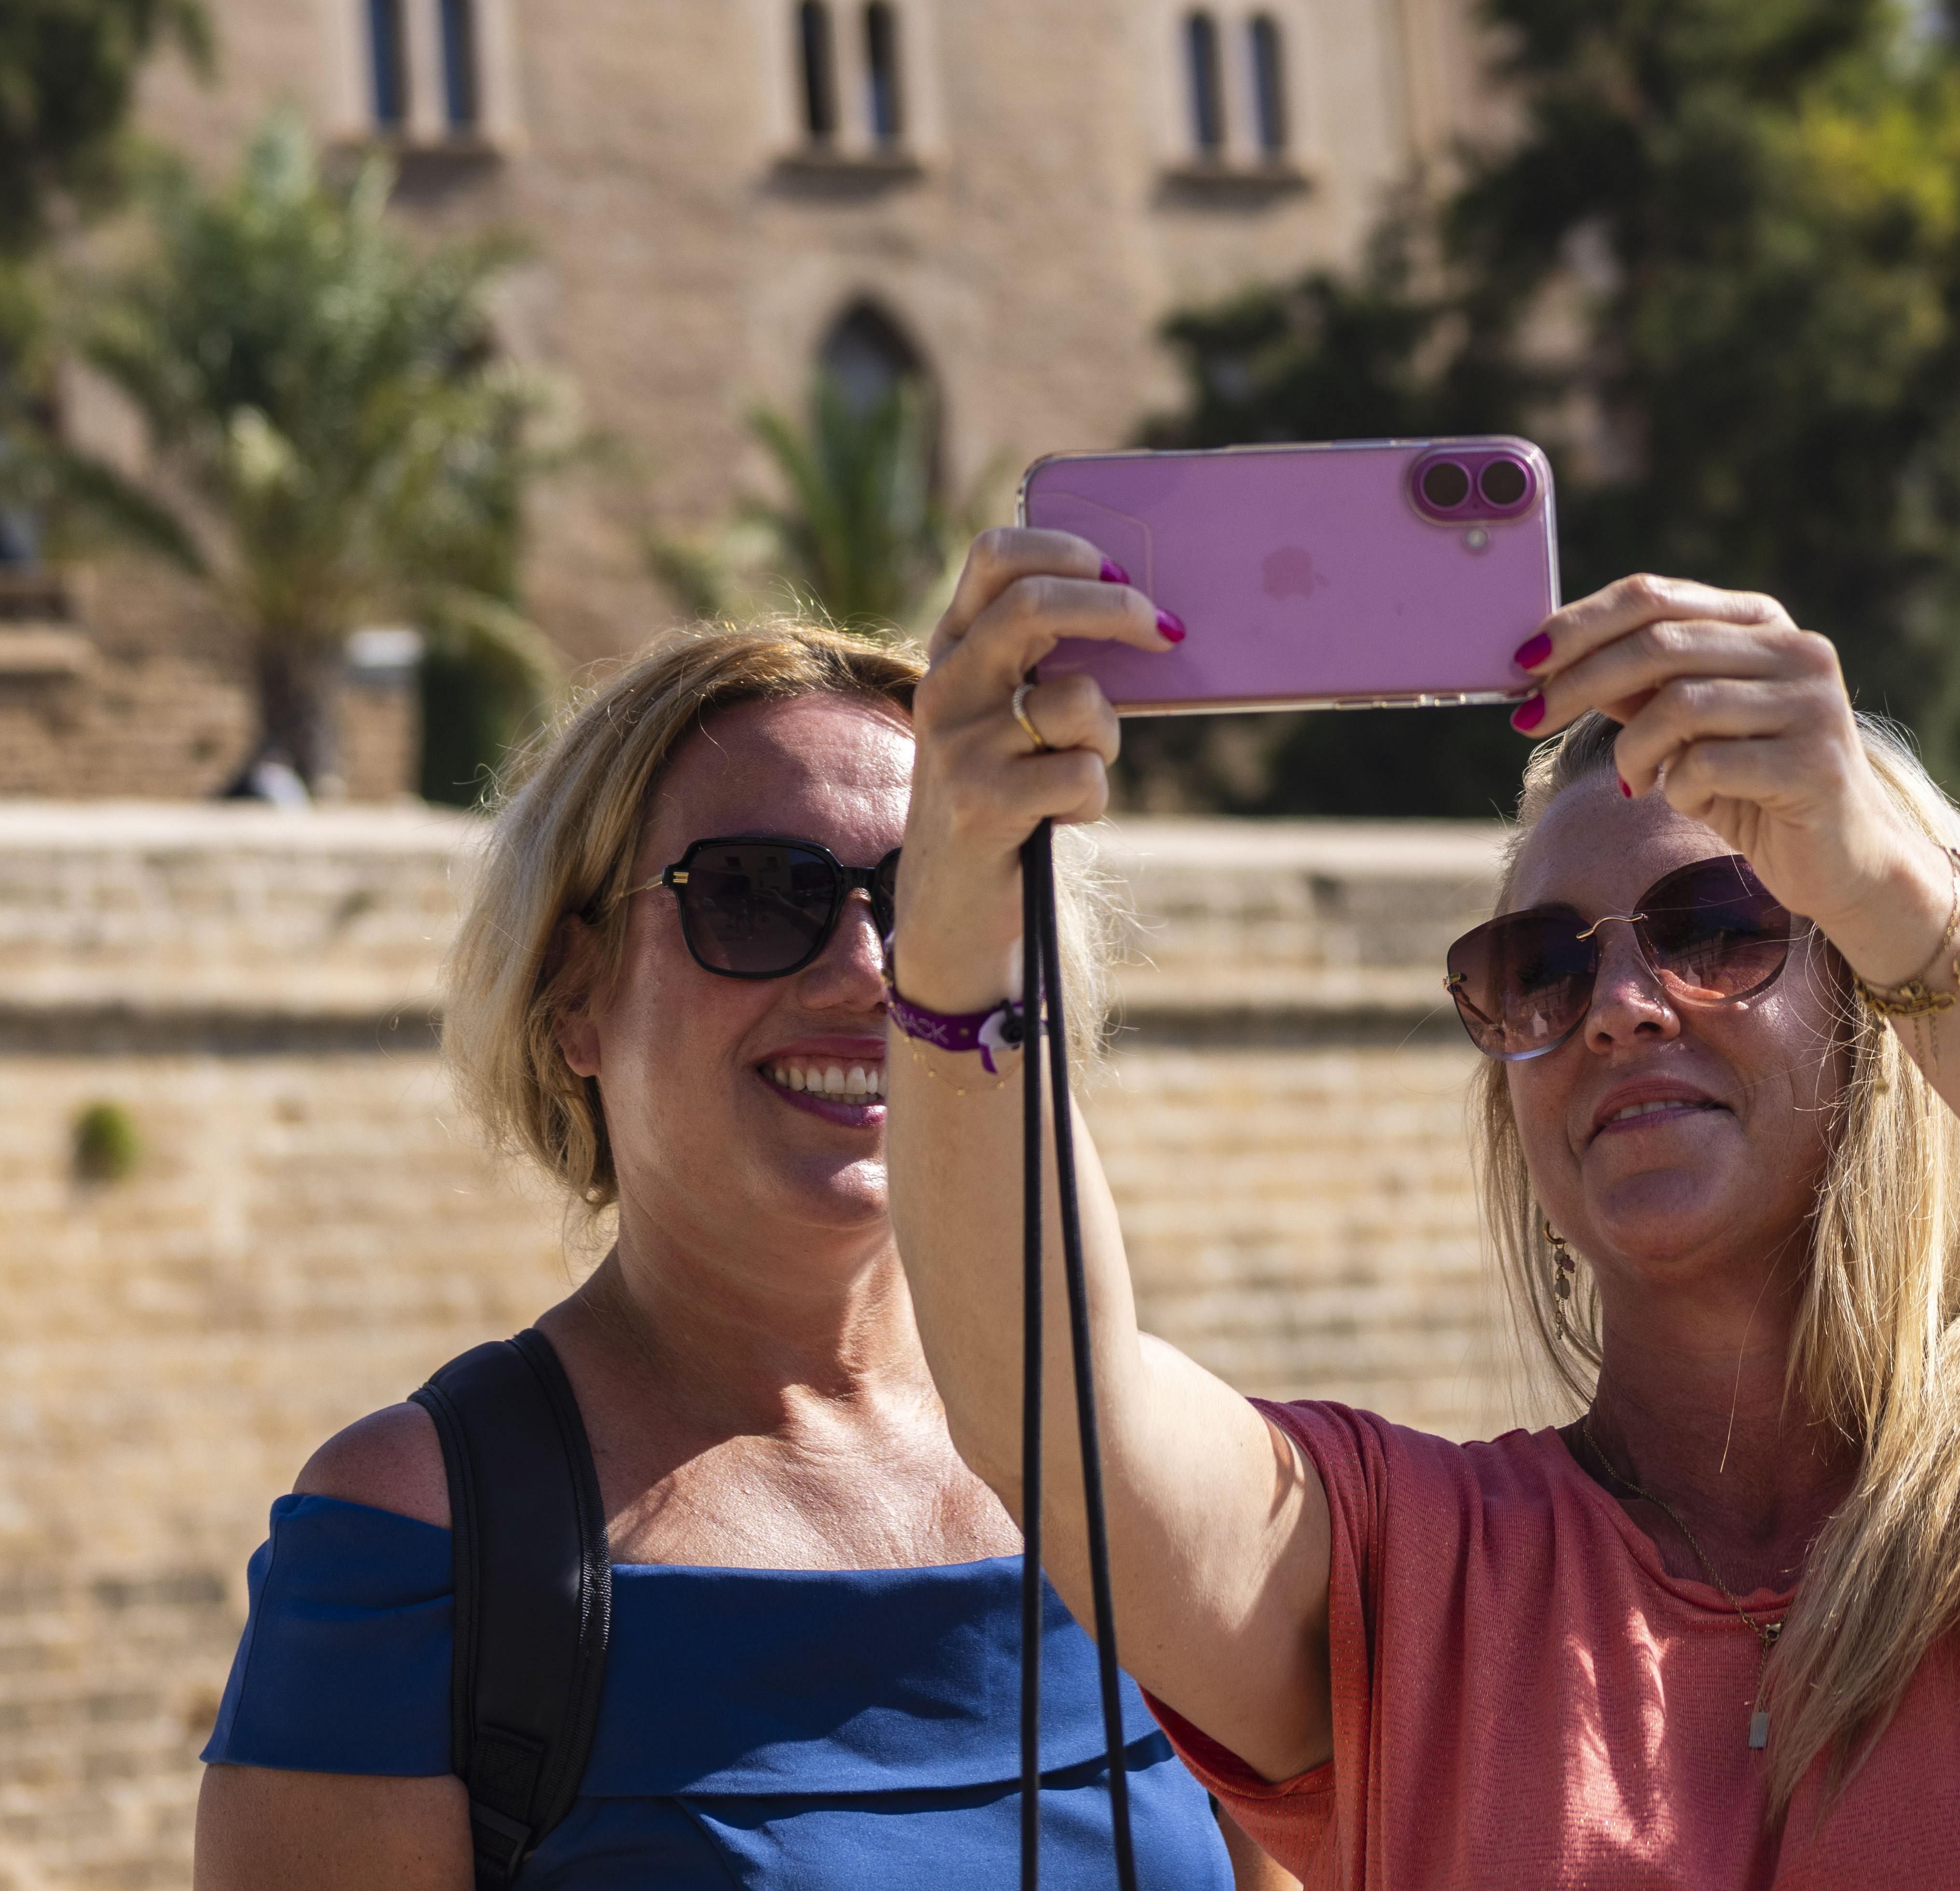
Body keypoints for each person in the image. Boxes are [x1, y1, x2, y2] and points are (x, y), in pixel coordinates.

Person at [887, 541, 1960, 1887]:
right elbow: (1055, 1421)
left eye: (1719, 927)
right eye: (1541, 968)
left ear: (1878, 1003)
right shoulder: (1411, 1579)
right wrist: (954, 924)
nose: (1621, 1010)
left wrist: (1895, 886)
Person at [195, 617, 1263, 1891]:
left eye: (936, 900)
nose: (868, 973)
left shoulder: (1143, 1471)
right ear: (573, 992)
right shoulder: (423, 1545)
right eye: (761, 896)